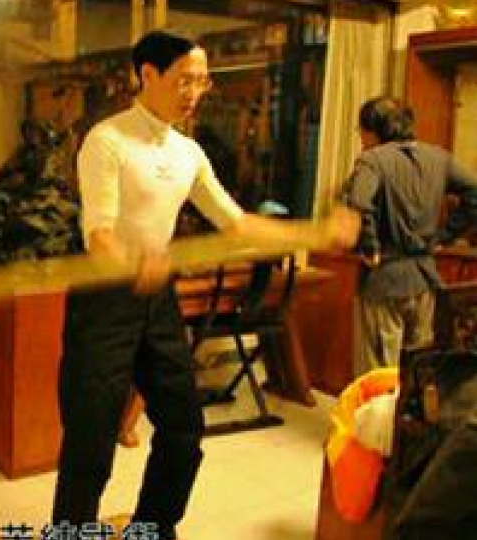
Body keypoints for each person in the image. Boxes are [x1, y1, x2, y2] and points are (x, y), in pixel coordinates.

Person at [51, 30, 359, 537]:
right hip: (104, 299)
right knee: (91, 441)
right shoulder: (107, 140)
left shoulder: (188, 153)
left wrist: (317, 232)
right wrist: (131, 263)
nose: (195, 92)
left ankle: (153, 527)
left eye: (202, 81)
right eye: (185, 80)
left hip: (157, 298)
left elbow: (236, 224)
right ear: (148, 75)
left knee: (183, 428)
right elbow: (99, 234)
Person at [343, 96, 477, 372]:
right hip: (424, 280)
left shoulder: (372, 160)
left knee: (377, 376)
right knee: (417, 372)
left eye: (361, 131)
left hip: (383, 281)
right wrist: (444, 236)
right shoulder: (439, 158)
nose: (361, 139)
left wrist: (369, 246)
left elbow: (358, 202)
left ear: (374, 130)